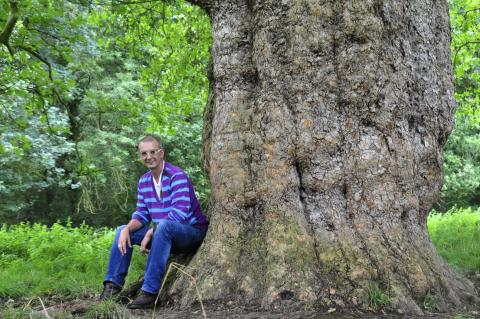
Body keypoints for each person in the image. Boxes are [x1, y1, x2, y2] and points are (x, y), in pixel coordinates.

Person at [100, 134, 209, 309]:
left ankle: (149, 293)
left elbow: (179, 214)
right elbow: (141, 214)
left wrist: (152, 231)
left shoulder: (177, 176)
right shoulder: (144, 181)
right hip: (163, 233)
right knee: (122, 230)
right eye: (144, 153)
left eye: (153, 152)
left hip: (191, 232)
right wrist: (128, 229)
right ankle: (112, 287)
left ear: (161, 153)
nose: (148, 157)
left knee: (163, 227)